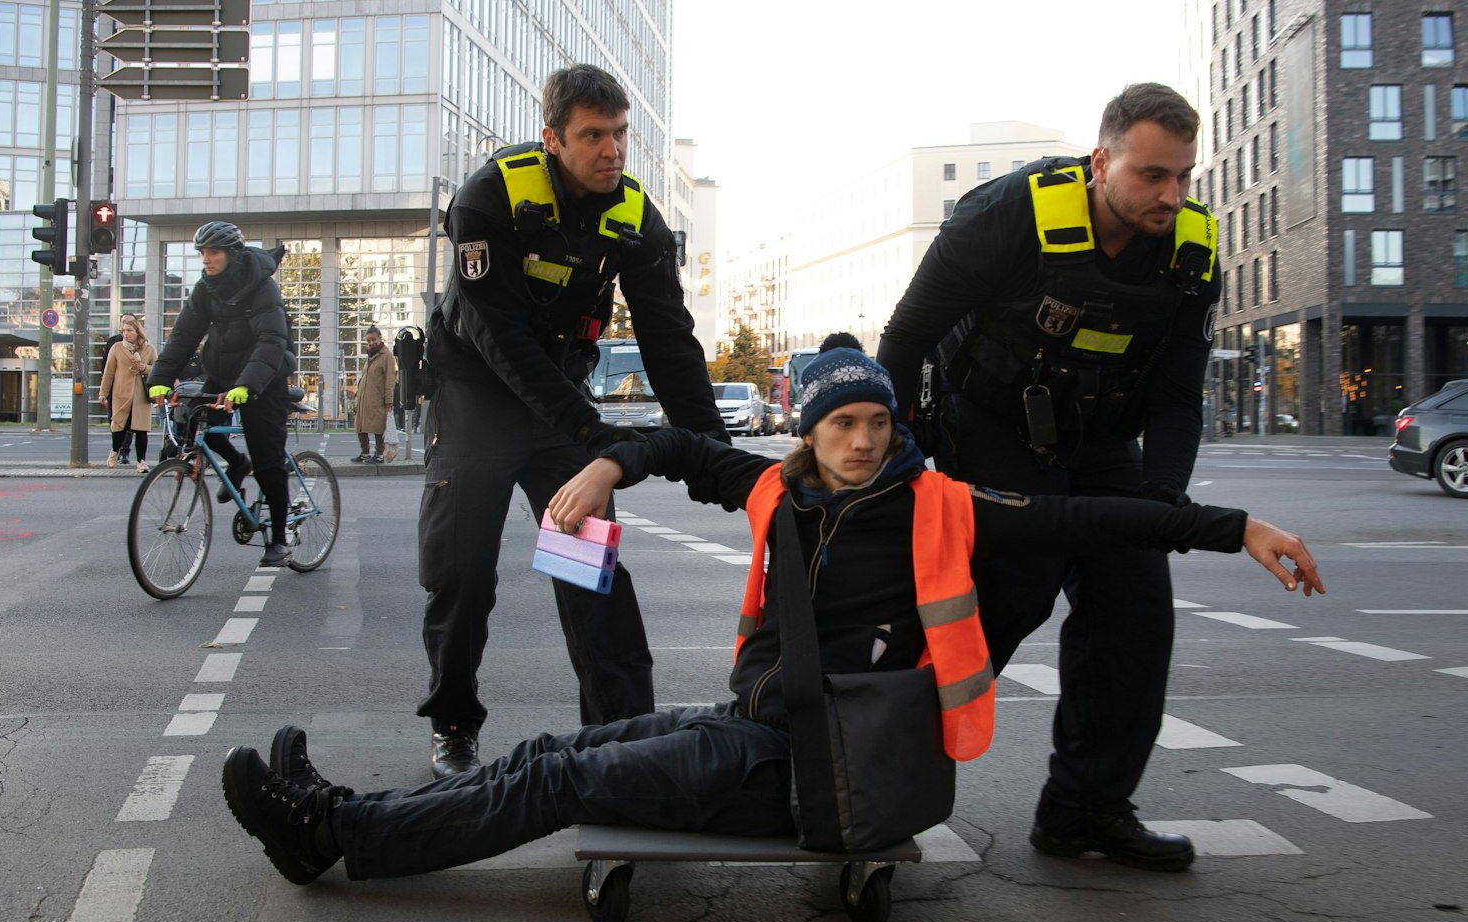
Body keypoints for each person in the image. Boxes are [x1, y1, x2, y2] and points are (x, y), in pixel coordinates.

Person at [219, 349, 1322, 885]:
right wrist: (607, 463)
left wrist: (1236, 529)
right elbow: (673, 447)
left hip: (818, 764)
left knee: (556, 778)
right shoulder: (774, 491)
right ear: (807, 429)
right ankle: (346, 813)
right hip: (763, 727)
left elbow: (1093, 512)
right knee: (554, 749)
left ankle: (332, 835)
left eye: (874, 421)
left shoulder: (935, 504)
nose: (860, 439)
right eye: (840, 421)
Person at [876, 82, 1226, 869]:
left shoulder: (1191, 253)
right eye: (1150, 176)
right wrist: (885, 460)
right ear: (1101, 161)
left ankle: (1086, 810)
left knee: (1136, 608)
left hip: (1099, 438)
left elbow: (1175, 400)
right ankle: (868, 778)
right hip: (986, 419)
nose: (1170, 195)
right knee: (1017, 586)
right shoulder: (1004, 215)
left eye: (1182, 177)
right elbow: (904, 340)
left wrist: (1160, 506)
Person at [416, 62, 724, 779]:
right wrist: (596, 436)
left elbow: (669, 339)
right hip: (477, 400)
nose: (612, 151)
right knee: (462, 573)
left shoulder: (636, 217)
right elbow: (503, 342)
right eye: (593, 136)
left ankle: (625, 740)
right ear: (553, 138)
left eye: (619, 134)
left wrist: (713, 453)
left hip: (559, 411)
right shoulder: (489, 199)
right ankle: (455, 721)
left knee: (590, 579)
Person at [148, 223, 298, 568]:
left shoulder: (261, 287)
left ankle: (277, 539)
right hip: (222, 374)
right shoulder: (206, 289)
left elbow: (271, 341)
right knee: (200, 429)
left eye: (212, 252)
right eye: (201, 253)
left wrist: (247, 385)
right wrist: (160, 378)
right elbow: (184, 336)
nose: (206, 259)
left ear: (231, 254)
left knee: (268, 460)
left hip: (265, 377)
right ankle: (237, 462)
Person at [99, 314, 157, 472]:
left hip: (140, 395)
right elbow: (109, 372)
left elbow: (157, 369)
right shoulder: (117, 348)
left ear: (138, 331)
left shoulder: (149, 349)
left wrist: (144, 368)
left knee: (141, 429)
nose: (125, 333)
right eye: (123, 330)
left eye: (129, 330)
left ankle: (141, 462)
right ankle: (114, 452)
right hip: (121, 392)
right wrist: (103, 393)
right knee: (119, 425)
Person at [353, 325, 396, 464]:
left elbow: (390, 380)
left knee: (378, 428)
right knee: (360, 426)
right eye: (369, 341)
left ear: (380, 339)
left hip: (378, 399)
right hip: (364, 398)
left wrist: (389, 401)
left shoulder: (386, 355)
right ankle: (365, 453)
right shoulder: (370, 356)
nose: (371, 343)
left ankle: (379, 455)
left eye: (374, 340)